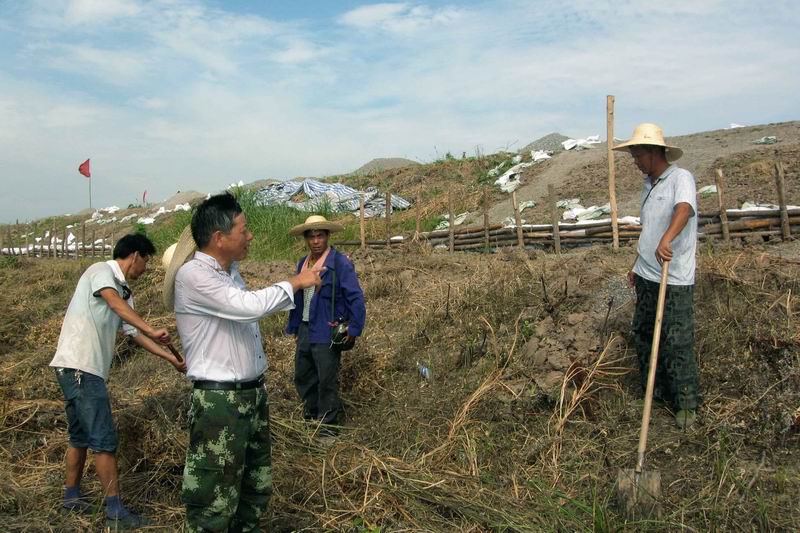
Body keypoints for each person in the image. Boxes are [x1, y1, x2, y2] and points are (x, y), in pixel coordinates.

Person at [165, 193, 322, 532]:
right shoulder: (193, 275)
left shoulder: (230, 274)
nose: (250, 236)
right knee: (213, 498)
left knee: (254, 486)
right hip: (220, 401)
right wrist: (297, 282)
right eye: (244, 229)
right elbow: (247, 307)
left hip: (250, 395)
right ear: (219, 238)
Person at [49, 233, 185, 529]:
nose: (146, 269)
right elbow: (111, 302)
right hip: (81, 367)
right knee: (103, 440)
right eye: (146, 261)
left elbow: (133, 334)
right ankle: (115, 511)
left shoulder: (124, 292)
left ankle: (71, 498)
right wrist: (151, 328)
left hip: (76, 368)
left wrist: (170, 358)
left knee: (79, 436)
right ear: (135, 255)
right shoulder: (101, 271)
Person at [613, 123, 701, 429]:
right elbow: (649, 230)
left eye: (638, 155)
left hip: (673, 276)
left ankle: (686, 404)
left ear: (653, 152)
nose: (635, 161)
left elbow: (684, 209)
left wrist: (667, 239)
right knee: (644, 333)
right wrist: (636, 263)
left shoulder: (680, 178)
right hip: (646, 273)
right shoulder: (648, 186)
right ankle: (656, 394)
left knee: (676, 340)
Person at [286, 215, 366, 434]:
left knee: (326, 378)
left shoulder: (339, 263)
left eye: (320, 236)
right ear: (306, 239)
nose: (315, 241)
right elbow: (297, 299)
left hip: (326, 328)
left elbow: (355, 297)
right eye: (311, 237)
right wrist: (294, 326)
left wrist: (354, 328)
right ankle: (311, 418)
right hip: (305, 327)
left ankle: (327, 427)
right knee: (303, 375)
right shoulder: (302, 264)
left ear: (327, 236)